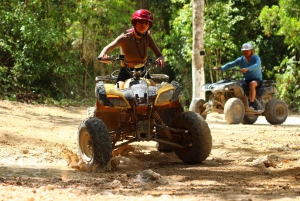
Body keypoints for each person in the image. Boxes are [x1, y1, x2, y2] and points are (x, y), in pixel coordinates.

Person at [98, 9, 165, 89]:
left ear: (149, 26)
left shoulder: (148, 38)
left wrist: (160, 59)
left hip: (142, 71)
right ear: (135, 23)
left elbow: (159, 55)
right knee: (118, 90)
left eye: (146, 23)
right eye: (141, 22)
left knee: (154, 89)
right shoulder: (124, 38)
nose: (144, 25)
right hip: (126, 71)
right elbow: (108, 47)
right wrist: (103, 56)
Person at [216, 42, 263, 110]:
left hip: (257, 80)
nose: (245, 53)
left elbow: (257, 65)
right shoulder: (241, 59)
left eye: (247, 51)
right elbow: (231, 64)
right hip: (246, 80)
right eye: (244, 51)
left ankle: (252, 103)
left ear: (251, 51)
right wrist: (221, 68)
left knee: (252, 84)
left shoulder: (256, 58)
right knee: (236, 85)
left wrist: (247, 69)